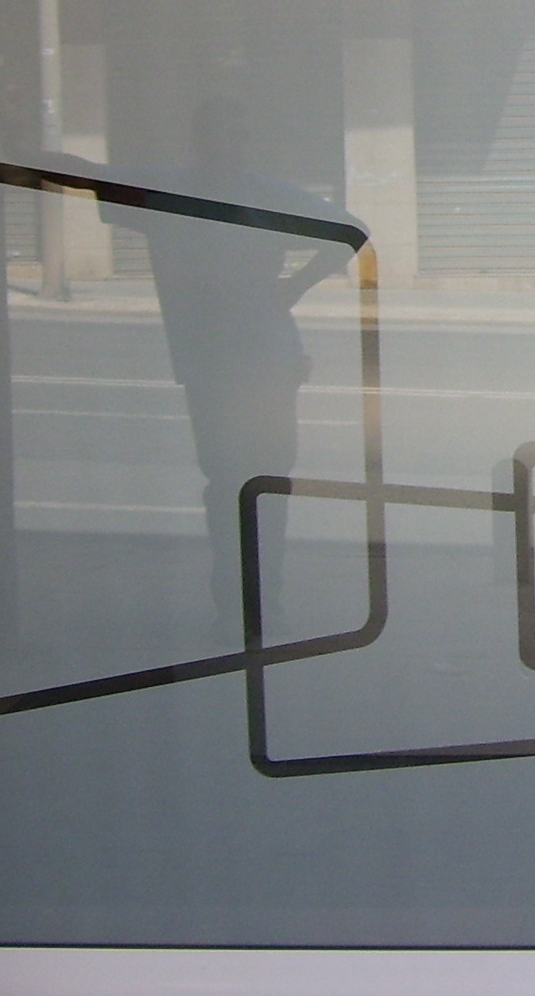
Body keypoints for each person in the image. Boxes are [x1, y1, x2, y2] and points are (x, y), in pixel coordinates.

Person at [101, 99, 358, 632]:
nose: (233, 146)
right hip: (223, 360)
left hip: (255, 359)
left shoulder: (227, 193)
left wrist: (293, 287)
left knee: (252, 480)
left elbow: (350, 230)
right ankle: (245, 602)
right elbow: (91, 180)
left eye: (239, 136)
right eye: (225, 135)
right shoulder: (182, 192)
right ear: (202, 140)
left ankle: (257, 601)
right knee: (233, 482)